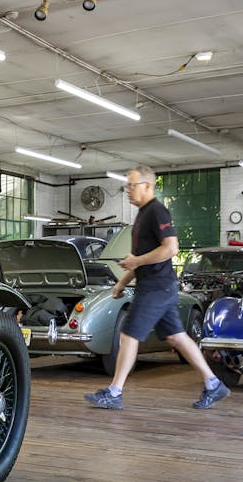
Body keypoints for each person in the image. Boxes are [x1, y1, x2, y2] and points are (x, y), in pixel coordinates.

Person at [84, 165, 230, 410]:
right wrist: (122, 282)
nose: (128, 191)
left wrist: (137, 261)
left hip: (156, 288)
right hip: (158, 286)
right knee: (177, 336)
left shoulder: (157, 212)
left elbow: (170, 248)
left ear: (147, 185)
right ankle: (213, 383)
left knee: (129, 334)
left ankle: (115, 391)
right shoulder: (142, 215)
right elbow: (141, 258)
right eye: (126, 186)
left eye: (132, 185)